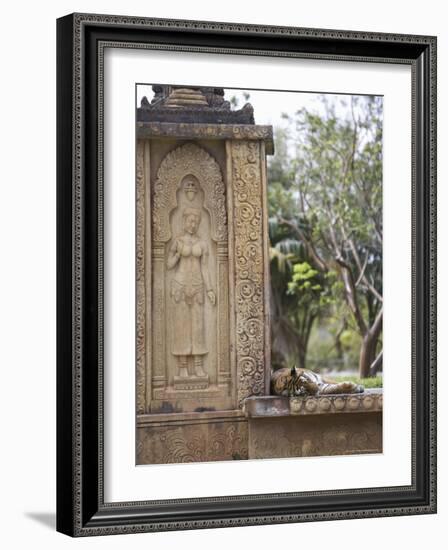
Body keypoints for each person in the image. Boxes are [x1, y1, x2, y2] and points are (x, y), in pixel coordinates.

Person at [167, 207, 215, 378]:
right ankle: (182, 368)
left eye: (196, 222)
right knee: (182, 327)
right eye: (190, 221)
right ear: (184, 221)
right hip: (180, 285)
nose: (193, 224)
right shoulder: (178, 242)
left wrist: (209, 289)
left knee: (198, 327)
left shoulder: (202, 244)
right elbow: (169, 264)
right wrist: (178, 255)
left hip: (197, 286)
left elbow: (205, 268)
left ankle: (199, 366)